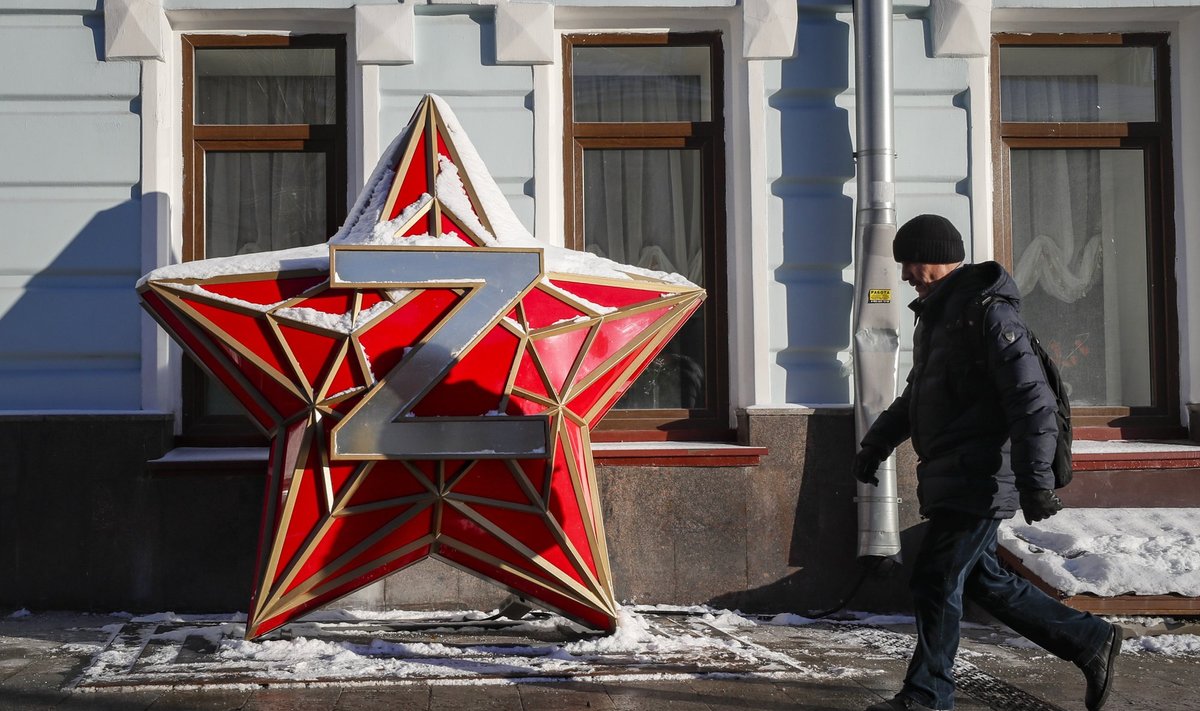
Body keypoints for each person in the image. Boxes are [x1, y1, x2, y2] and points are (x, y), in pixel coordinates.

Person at [852, 214, 1121, 711]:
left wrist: (1036, 481)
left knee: (936, 578)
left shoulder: (989, 314)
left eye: (910, 262)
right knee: (982, 580)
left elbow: (1031, 400)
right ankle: (1089, 640)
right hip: (956, 471)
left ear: (935, 258)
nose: (905, 274)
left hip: (980, 476)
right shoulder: (939, 315)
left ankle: (928, 694)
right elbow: (919, 395)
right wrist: (876, 444)